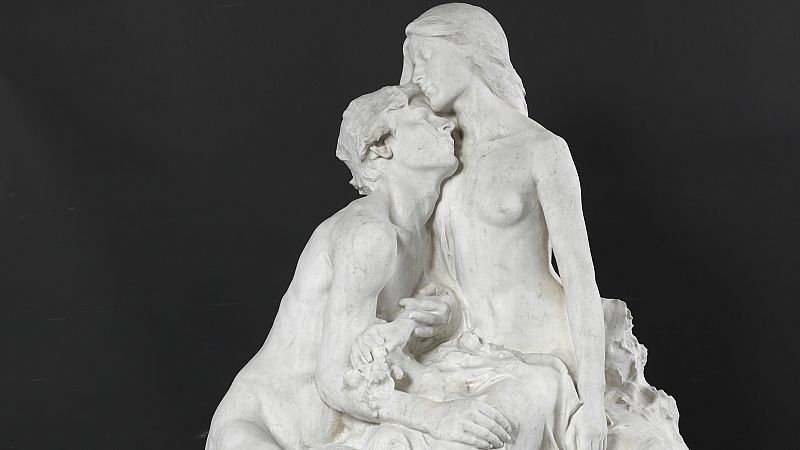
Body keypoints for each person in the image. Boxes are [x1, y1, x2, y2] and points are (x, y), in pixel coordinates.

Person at [206, 85, 515, 450]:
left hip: (344, 427)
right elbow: (335, 380)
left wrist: (440, 317)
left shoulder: (419, 234)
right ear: (381, 145)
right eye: (424, 118)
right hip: (265, 429)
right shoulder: (369, 234)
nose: (447, 124)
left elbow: (390, 332)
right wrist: (435, 416)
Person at [397, 4, 609, 449]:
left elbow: (580, 280)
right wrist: (441, 309)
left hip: (540, 352)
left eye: (425, 57)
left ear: (468, 49)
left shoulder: (542, 150)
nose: (416, 75)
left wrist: (594, 404)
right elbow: (431, 269)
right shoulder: (437, 156)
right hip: (462, 352)